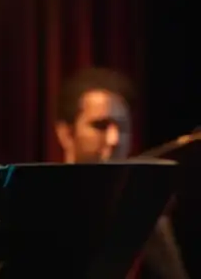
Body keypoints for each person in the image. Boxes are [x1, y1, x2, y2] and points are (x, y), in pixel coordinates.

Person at [55, 67, 189, 279]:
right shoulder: (44, 205)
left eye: (123, 127)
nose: (114, 140)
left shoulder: (145, 210)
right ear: (66, 134)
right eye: (100, 125)